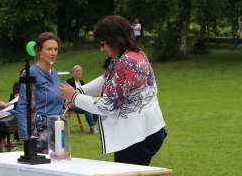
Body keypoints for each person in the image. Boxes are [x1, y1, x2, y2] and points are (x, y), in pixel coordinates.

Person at [59, 15, 166, 166]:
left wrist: (75, 96)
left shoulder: (126, 62)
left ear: (116, 39)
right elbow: (107, 78)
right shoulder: (132, 54)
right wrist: (80, 91)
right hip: (147, 131)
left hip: (138, 137)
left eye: (103, 44)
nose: (101, 48)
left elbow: (107, 106)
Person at [17, 32, 64, 176]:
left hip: (58, 128)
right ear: (38, 50)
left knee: (55, 175)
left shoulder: (54, 73)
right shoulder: (31, 73)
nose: (53, 53)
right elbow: (23, 106)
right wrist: (26, 136)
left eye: (55, 49)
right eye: (49, 49)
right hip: (39, 130)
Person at [65, 65, 98, 134]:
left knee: (96, 107)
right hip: (71, 104)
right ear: (73, 73)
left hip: (81, 103)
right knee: (87, 108)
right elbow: (66, 95)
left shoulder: (83, 83)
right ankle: (93, 127)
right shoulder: (69, 82)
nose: (79, 72)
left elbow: (87, 95)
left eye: (80, 71)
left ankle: (92, 126)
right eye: (77, 71)